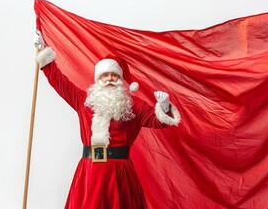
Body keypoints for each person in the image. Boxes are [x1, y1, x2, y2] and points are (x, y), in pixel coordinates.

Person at [33, 31, 181, 209]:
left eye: (114, 75)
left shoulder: (133, 105)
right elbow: (60, 82)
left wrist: (164, 107)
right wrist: (44, 55)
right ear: (98, 79)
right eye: (105, 75)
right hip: (90, 171)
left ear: (120, 79)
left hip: (120, 174)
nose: (110, 78)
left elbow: (158, 121)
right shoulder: (84, 101)